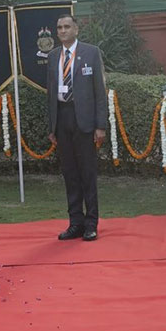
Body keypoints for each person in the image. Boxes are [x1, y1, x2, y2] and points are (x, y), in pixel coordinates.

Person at [51, 13, 108, 241]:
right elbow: (50, 94)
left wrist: (100, 125)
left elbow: (100, 92)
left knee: (87, 173)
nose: (62, 31)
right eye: (59, 28)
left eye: (66, 27)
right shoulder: (54, 56)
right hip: (63, 119)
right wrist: (52, 127)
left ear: (76, 30)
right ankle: (75, 222)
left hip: (84, 120)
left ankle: (91, 223)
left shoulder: (91, 53)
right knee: (70, 174)